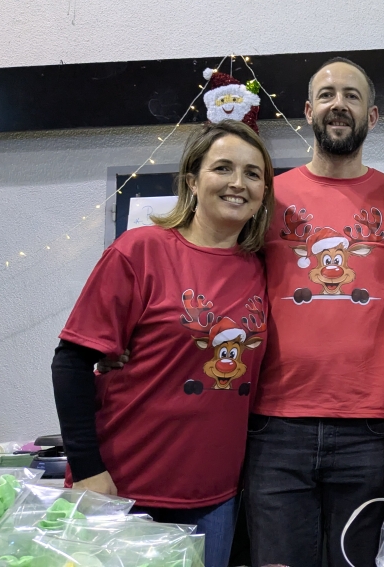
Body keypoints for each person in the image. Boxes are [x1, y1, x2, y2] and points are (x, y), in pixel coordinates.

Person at [51, 119, 274, 567]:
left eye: (252, 173)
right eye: (223, 168)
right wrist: (89, 470)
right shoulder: (139, 251)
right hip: (124, 490)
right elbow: (71, 362)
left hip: (216, 498)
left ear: (264, 191)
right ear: (192, 180)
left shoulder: (261, 268)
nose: (238, 183)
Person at [243, 58, 384, 567]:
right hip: (276, 425)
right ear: (309, 111)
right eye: (327, 95)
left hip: (370, 427)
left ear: (372, 116)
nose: (339, 104)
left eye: (352, 96)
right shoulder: (268, 197)